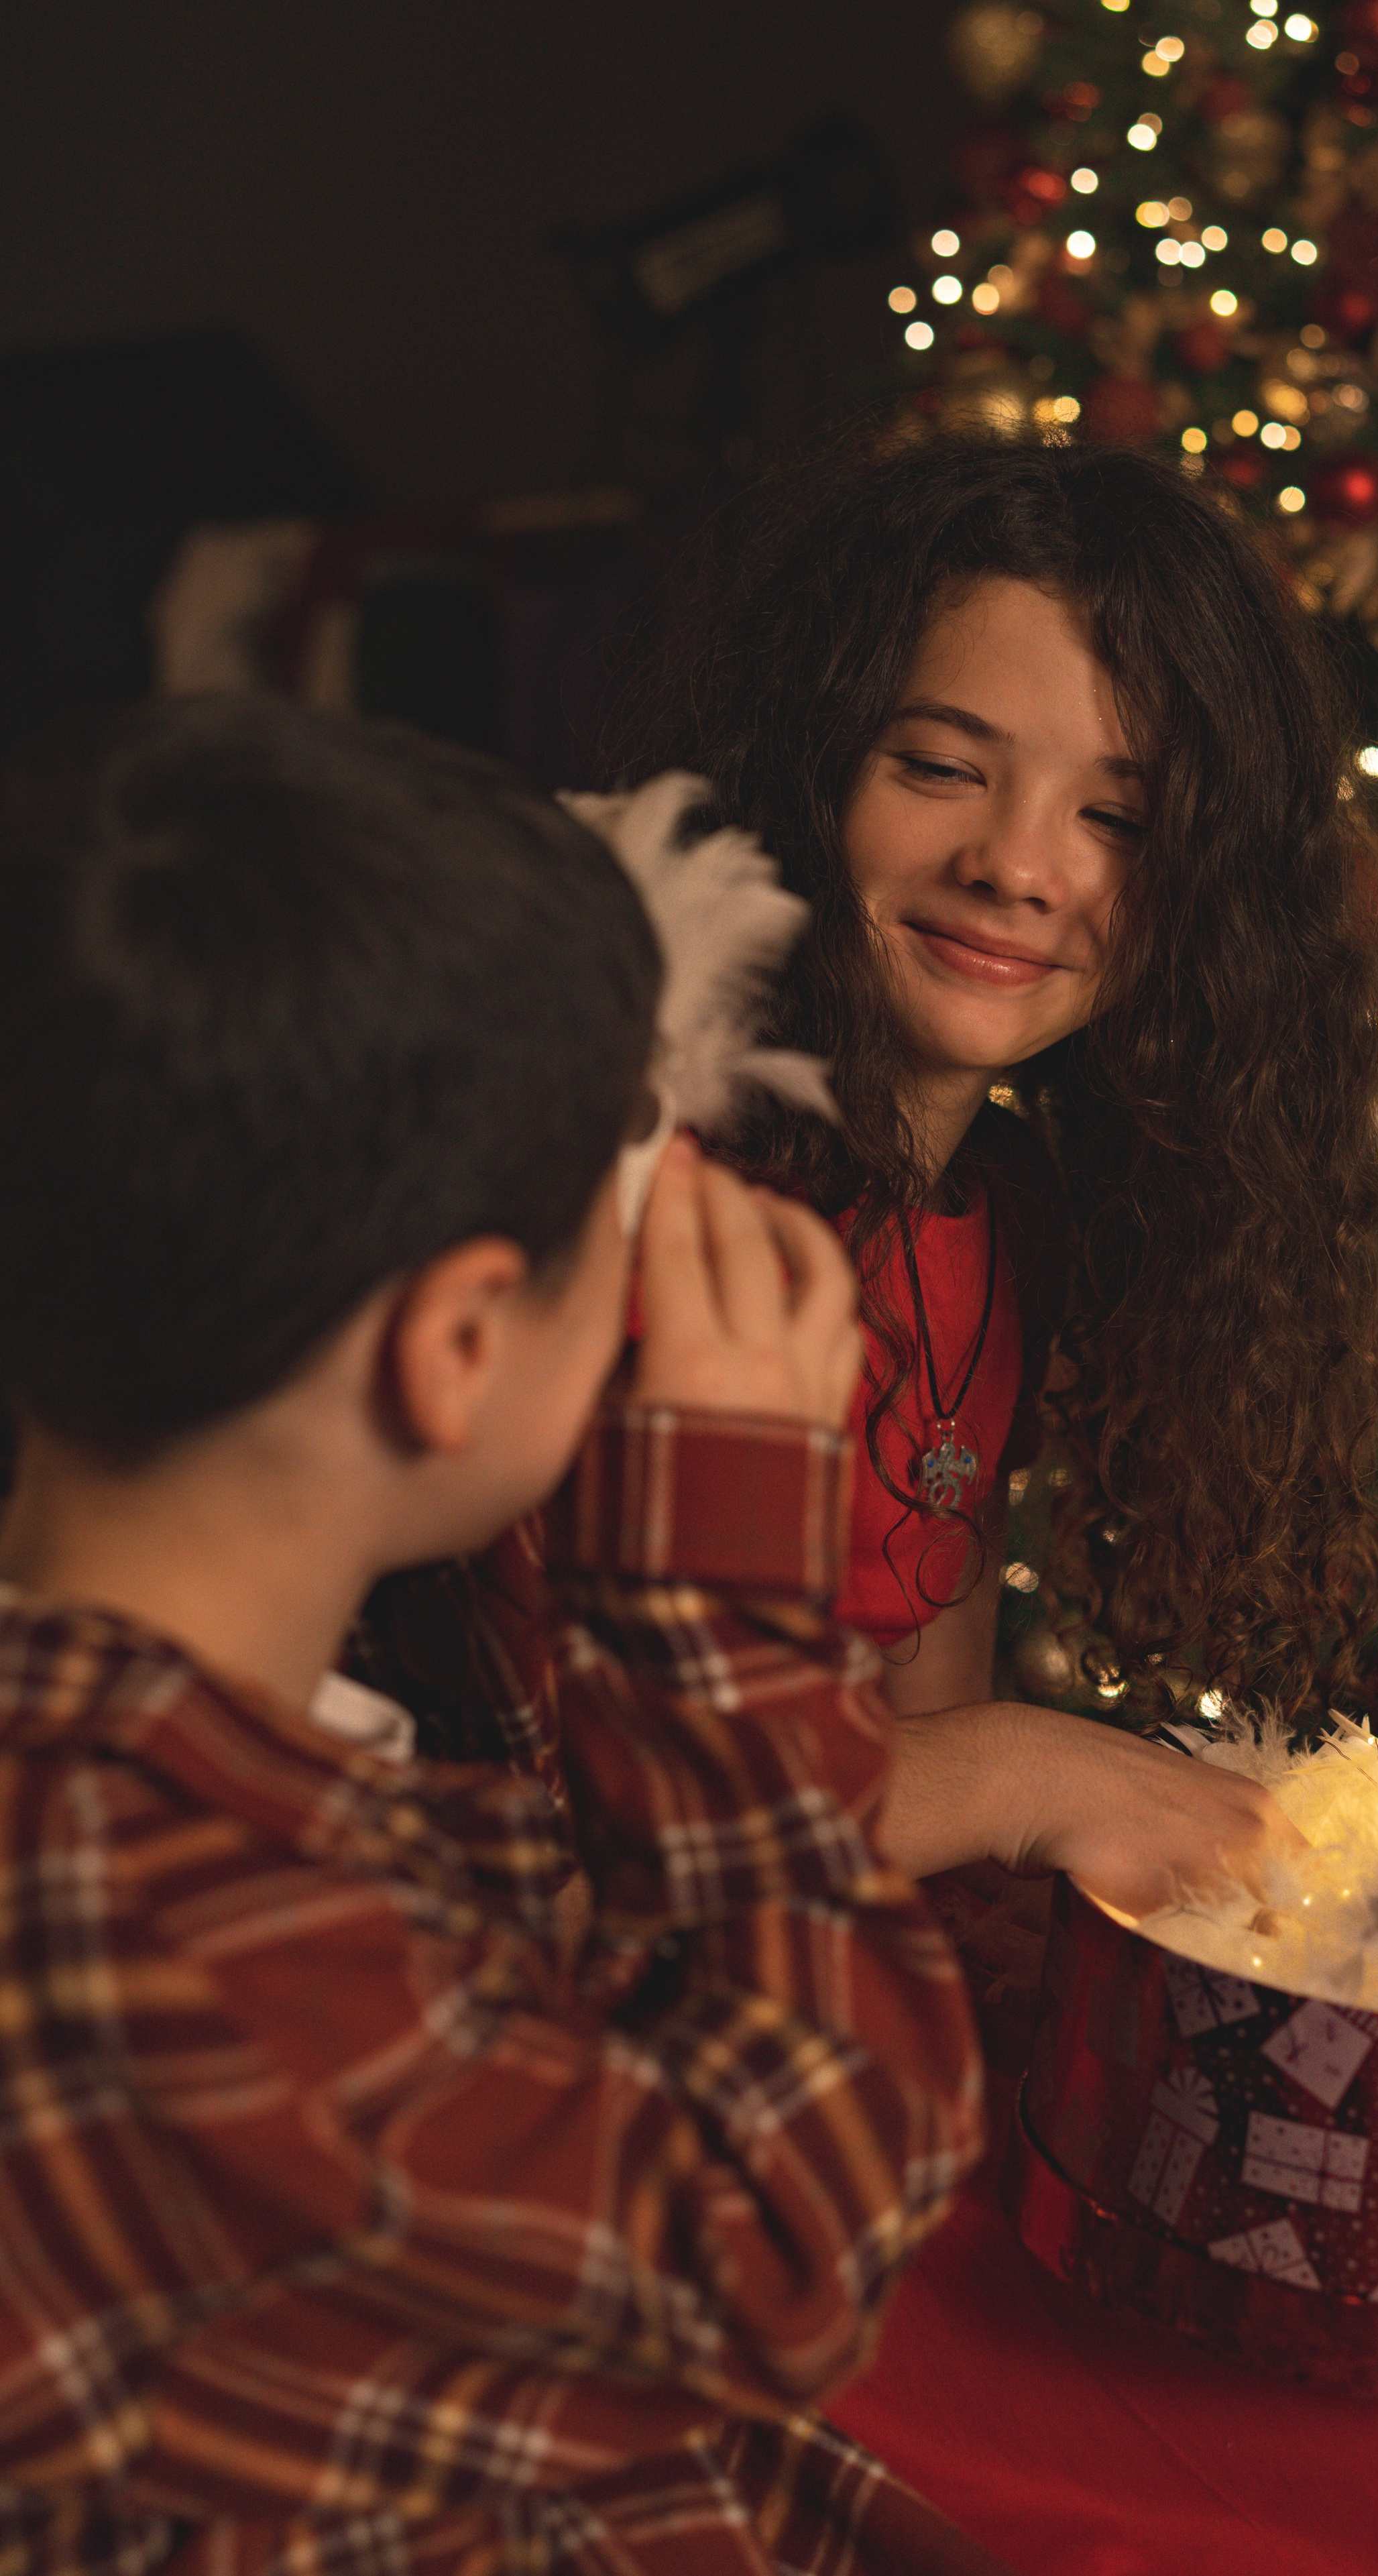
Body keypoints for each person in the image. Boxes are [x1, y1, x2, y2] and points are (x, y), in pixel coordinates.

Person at [0, 697, 1013, 2576]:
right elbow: (792, 2235)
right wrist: (716, 1584)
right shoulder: (165, 1945)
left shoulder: (173, 1771)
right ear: (460, 1346)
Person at [622, 434, 1378, 2003]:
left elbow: (924, 1735)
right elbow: (617, 1804)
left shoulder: (1007, 1219)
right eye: (939, 767)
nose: (1016, 868)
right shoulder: (644, 1193)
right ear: (808, 763)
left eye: (1116, 816)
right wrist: (1033, 1773)